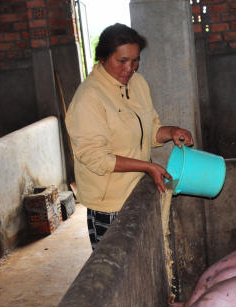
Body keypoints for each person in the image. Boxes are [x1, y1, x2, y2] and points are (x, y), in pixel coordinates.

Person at [66, 24, 194, 249]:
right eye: (122, 61)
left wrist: (172, 131)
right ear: (103, 58)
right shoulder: (89, 97)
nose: (129, 68)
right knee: (116, 271)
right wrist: (148, 166)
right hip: (110, 203)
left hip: (138, 190)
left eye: (135, 60)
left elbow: (151, 131)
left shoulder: (138, 84)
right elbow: (96, 158)